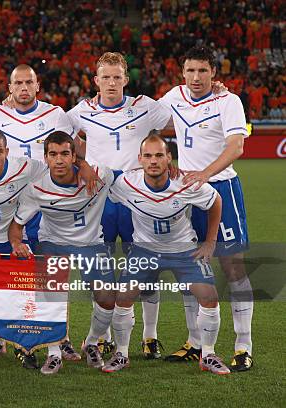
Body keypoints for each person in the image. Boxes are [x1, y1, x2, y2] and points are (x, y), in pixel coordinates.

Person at [0, 129, 98, 370]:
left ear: (7, 152)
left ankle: (29, 347)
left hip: (13, 238)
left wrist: (83, 166)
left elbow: (58, 166)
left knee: (34, 290)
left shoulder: (25, 167)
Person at [67, 52, 172, 359]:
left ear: (125, 80)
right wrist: (83, 162)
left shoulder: (145, 107)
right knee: (100, 270)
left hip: (137, 200)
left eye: (117, 77)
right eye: (105, 77)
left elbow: (182, 110)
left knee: (145, 268)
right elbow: (60, 135)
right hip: (98, 198)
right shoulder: (80, 111)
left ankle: (149, 336)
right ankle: (106, 335)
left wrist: (217, 89)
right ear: (96, 80)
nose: (111, 83)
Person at [158, 45, 253, 371]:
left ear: (214, 73)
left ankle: (243, 345)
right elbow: (145, 123)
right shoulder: (173, 97)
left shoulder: (229, 101)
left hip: (221, 188)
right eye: (190, 71)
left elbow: (236, 146)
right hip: (185, 195)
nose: (196, 77)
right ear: (182, 73)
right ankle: (195, 341)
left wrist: (205, 175)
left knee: (233, 267)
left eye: (202, 71)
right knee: (190, 270)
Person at [103, 134, 229, 375]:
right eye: (148, 156)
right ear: (139, 159)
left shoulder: (187, 183)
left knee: (209, 296)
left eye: (159, 155)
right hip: (145, 249)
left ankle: (208, 354)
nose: (153, 161)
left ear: (169, 158)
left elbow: (215, 201)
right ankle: (122, 353)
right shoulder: (126, 184)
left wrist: (210, 241)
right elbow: (102, 196)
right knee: (123, 296)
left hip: (184, 250)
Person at [0, 64, 82, 362]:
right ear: (9, 88)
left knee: (48, 270)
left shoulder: (56, 115)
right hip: (6, 200)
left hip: (43, 202)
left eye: (29, 82)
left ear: (37, 85)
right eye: (18, 83)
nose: (24, 88)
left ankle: (58, 336)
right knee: (5, 268)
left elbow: (74, 149)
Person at [9, 131, 116, 375]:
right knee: (50, 294)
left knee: (108, 298)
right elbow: (16, 226)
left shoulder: (100, 175)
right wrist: (16, 243)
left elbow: (136, 177)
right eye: (53, 154)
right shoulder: (36, 188)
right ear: (45, 158)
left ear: (73, 157)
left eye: (65, 154)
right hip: (53, 242)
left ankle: (91, 343)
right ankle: (54, 353)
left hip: (91, 243)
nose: (59, 160)